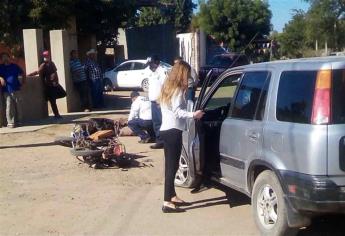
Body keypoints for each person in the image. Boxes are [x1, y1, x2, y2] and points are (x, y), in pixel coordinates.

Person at [159, 60, 204, 213]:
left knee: (173, 166)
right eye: (187, 73)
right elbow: (178, 112)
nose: (189, 76)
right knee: (171, 168)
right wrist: (194, 115)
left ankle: (172, 196)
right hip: (173, 131)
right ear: (182, 73)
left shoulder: (167, 88)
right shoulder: (177, 90)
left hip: (167, 130)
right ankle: (167, 202)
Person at [27, 50, 62, 119]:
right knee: (52, 100)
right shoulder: (43, 65)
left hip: (53, 84)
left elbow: (55, 72)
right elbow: (38, 71)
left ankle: (56, 114)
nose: (47, 57)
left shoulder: (52, 63)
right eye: (45, 56)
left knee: (54, 99)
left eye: (48, 56)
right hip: (48, 85)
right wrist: (29, 75)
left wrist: (57, 81)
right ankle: (56, 114)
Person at [147, 55, 168, 149]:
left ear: (156, 62)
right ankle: (159, 140)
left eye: (151, 64)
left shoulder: (162, 72)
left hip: (160, 101)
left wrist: (161, 99)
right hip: (153, 101)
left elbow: (165, 87)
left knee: (161, 121)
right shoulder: (152, 73)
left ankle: (163, 141)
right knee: (156, 122)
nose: (149, 66)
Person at [0, 52, 25, 128]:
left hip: (16, 88)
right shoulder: (0, 67)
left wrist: (22, 81)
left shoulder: (15, 66)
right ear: (1, 59)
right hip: (6, 90)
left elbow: (22, 73)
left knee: (18, 105)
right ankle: (10, 122)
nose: (5, 58)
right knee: (9, 105)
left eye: (6, 57)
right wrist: (0, 78)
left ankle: (20, 121)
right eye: (3, 57)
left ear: (9, 57)